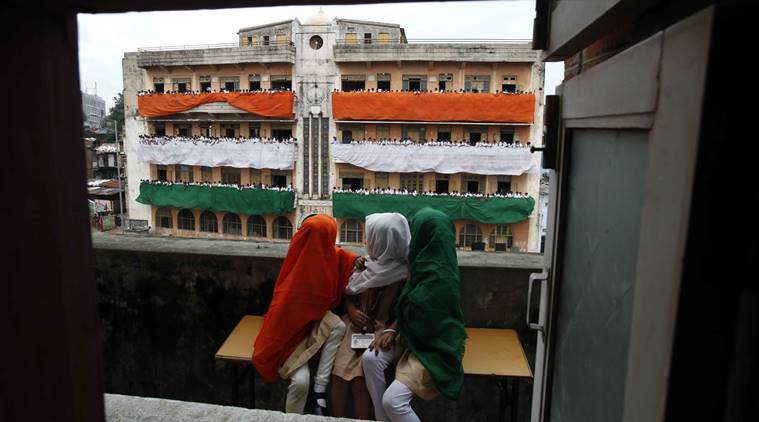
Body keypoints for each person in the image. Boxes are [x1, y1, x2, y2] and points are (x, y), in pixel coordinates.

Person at [362, 207, 467, 422]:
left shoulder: (442, 276)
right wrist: (393, 328)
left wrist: (397, 328)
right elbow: (409, 307)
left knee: (393, 401)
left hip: (433, 346)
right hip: (409, 335)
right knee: (370, 359)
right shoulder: (418, 263)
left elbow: (427, 317)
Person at [252, 214, 362, 415]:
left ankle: (320, 387)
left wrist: (355, 260)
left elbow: (340, 256)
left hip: (312, 325)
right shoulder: (299, 263)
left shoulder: (327, 258)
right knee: (301, 382)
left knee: (338, 325)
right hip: (289, 337)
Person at [331, 213, 411, 419]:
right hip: (352, 326)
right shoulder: (365, 264)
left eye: (371, 235)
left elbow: (406, 309)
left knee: (360, 383)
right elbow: (348, 292)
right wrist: (351, 310)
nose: (367, 240)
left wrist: (391, 328)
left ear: (384, 240)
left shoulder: (403, 273)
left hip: (380, 330)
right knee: (338, 377)